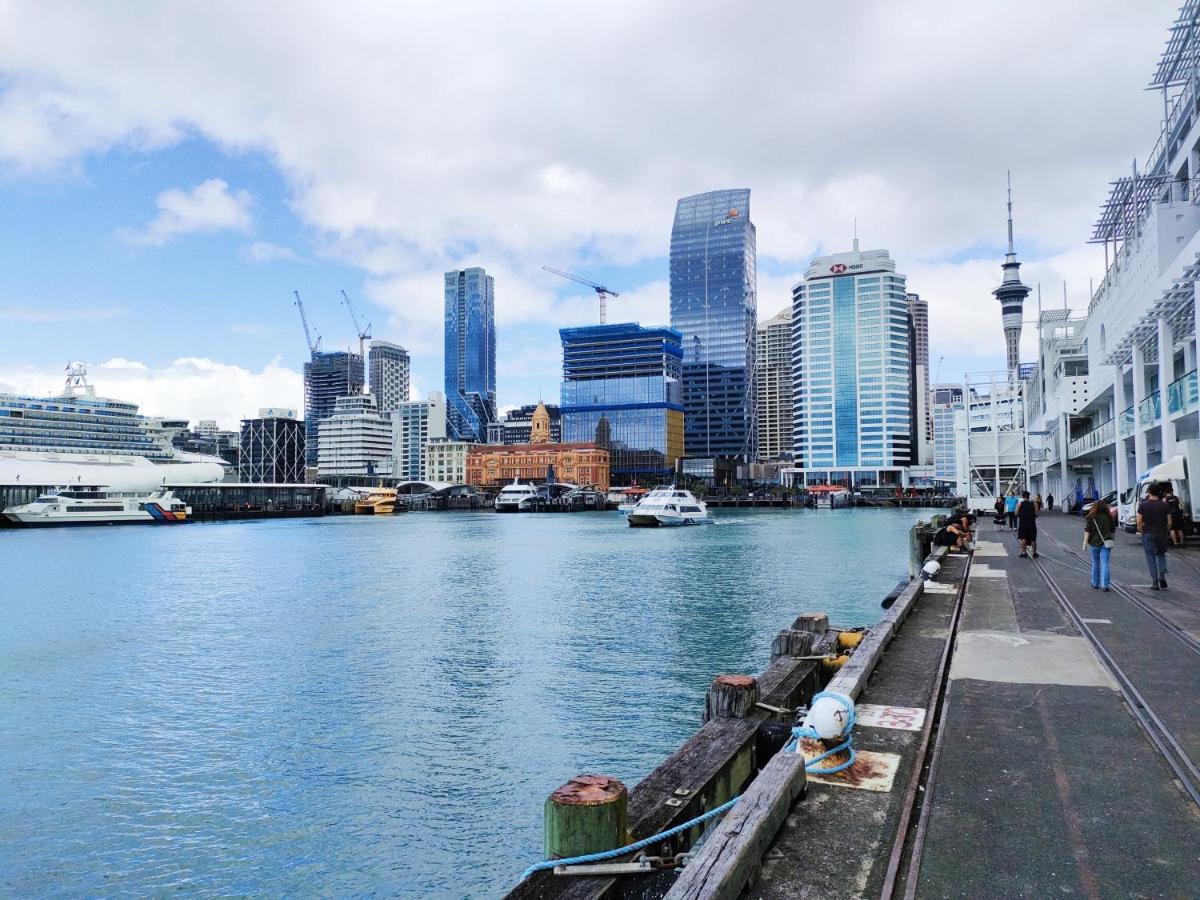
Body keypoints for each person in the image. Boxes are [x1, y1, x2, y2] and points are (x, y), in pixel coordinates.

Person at [1137, 482, 1173, 590]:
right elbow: (1170, 522)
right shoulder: (1165, 505)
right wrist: (1166, 531)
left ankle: (1155, 582)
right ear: (1159, 492)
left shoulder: (1143, 505)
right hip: (1161, 533)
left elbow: (1139, 520)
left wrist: (1141, 530)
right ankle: (1162, 576)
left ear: (1148, 492)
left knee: (1150, 557)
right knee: (1161, 555)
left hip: (1148, 533)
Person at [1084, 498, 1115, 591]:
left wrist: (1084, 543)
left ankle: (1095, 583)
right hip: (1106, 543)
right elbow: (1112, 531)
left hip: (1094, 543)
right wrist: (1112, 540)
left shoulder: (1091, 517)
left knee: (1095, 562)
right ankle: (1105, 585)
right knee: (1105, 563)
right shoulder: (1109, 518)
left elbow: (1087, 531)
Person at [1016, 490, 1039, 558]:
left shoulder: (1019, 504)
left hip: (1023, 524)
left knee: (1023, 538)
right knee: (1033, 539)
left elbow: (1016, 513)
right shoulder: (1034, 504)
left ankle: (1024, 553)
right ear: (1029, 497)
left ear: (1023, 497)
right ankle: (1034, 553)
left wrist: (1022, 516)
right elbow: (1037, 514)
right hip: (1032, 524)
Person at [1163, 483, 1186, 549]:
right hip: (1178, 515)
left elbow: (1164, 508)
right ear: (1171, 491)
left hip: (1170, 516)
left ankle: (1175, 544)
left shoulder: (1165, 499)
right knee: (1179, 529)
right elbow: (1183, 506)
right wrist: (1183, 512)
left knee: (1172, 530)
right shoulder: (1177, 497)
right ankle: (1182, 543)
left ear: (1166, 492)